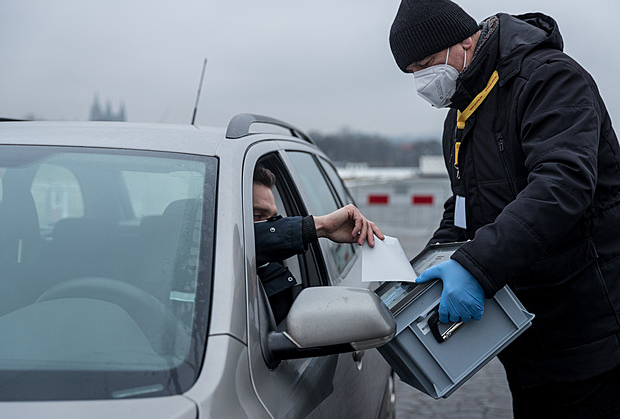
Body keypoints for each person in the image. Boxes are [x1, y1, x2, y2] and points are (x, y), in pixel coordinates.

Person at [388, 1, 620, 417]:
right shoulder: (462, 112)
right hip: (528, 330)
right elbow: (464, 202)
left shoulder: (548, 78)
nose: (423, 81)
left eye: (426, 64)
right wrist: (432, 262)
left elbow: (562, 184)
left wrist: (476, 266)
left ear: (464, 41)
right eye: (412, 73)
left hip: (589, 321)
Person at [253, 165, 383, 323]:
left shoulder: (275, 273)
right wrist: (320, 226)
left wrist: (321, 229)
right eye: (258, 216)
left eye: (274, 219)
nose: (270, 225)